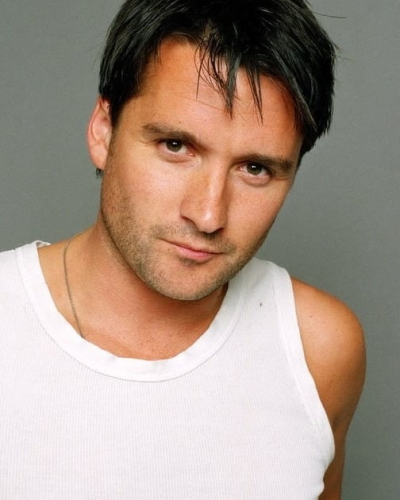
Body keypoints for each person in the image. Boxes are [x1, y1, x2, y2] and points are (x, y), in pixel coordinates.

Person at [0, 0, 365, 498]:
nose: (209, 215)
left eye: (255, 169)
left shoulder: (319, 348)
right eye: (175, 146)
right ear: (104, 131)